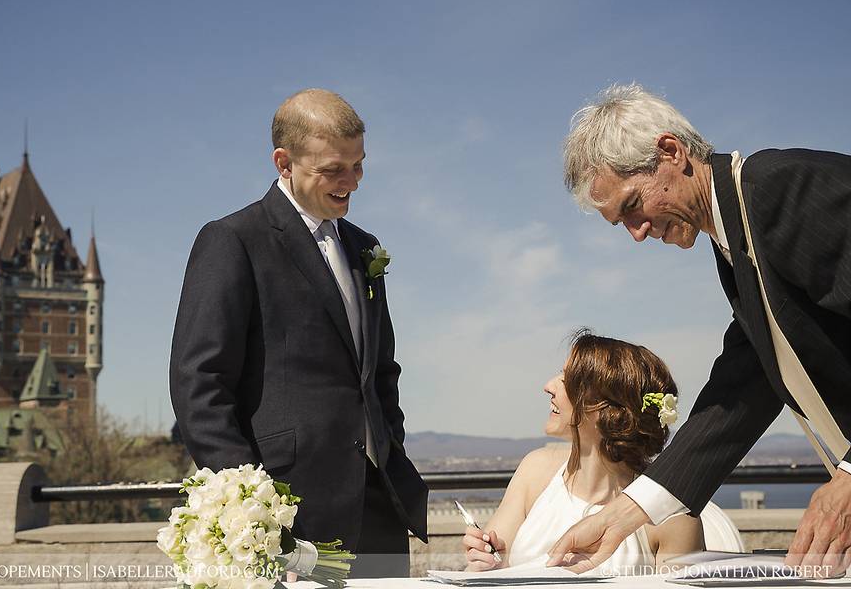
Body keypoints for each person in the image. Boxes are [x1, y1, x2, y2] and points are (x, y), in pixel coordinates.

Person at [550, 83, 851, 576]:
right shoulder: (738, 245)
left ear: (671, 153)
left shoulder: (783, 189)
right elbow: (738, 395)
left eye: (632, 207)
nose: (637, 233)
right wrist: (626, 514)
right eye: (620, 224)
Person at [169, 88, 428, 578]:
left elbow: (381, 372)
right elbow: (199, 384)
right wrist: (253, 510)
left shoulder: (364, 247)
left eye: (359, 166)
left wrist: (390, 446)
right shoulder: (232, 240)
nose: (350, 182)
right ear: (284, 162)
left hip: (379, 504)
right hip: (291, 514)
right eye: (333, 169)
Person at [462, 330, 703, 575]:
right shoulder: (535, 470)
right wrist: (491, 564)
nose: (548, 386)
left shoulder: (671, 515)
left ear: (607, 410)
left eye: (567, 381)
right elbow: (488, 569)